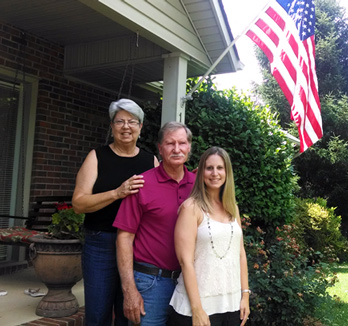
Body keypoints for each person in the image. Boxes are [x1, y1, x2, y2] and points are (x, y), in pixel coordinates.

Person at [72, 98, 159, 326]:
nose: (126, 127)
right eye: (119, 121)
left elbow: (162, 201)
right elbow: (79, 203)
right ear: (112, 127)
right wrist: (117, 193)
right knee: (98, 313)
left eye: (132, 121)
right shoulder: (97, 157)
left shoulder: (150, 161)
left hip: (137, 245)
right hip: (101, 242)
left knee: (129, 313)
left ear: (141, 127)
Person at [113, 121, 196, 326]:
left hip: (189, 282)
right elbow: (124, 238)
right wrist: (129, 289)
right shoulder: (142, 184)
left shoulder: (198, 185)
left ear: (189, 147)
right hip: (151, 283)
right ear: (160, 148)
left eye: (182, 143)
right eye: (170, 144)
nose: (176, 149)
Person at [168, 146, 250, 326]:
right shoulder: (191, 208)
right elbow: (185, 262)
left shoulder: (232, 208)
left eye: (220, 168)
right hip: (197, 306)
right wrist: (197, 309)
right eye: (209, 168)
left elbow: (241, 254)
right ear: (201, 172)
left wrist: (245, 296)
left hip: (232, 304)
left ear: (227, 172)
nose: (215, 173)